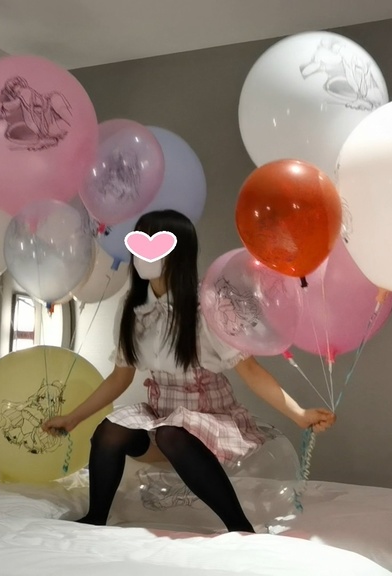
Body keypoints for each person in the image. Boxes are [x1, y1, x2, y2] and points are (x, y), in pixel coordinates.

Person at [42, 209, 336, 533]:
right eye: (140, 242)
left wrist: (299, 414)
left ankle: (239, 527)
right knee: (110, 430)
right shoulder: (133, 309)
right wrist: (72, 419)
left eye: (156, 243)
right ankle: (96, 517)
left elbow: (251, 370)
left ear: (178, 253)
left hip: (208, 416)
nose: (144, 253)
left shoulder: (207, 307)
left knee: (171, 434)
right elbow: (119, 377)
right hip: (160, 415)